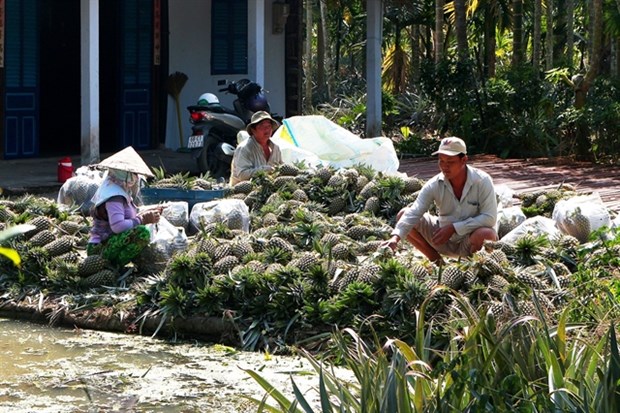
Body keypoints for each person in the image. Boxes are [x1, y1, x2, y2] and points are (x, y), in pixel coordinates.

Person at [382, 137, 497, 264]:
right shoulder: (434, 184)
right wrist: (395, 237)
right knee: (404, 214)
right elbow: (415, 212)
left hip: (470, 241)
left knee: (487, 234)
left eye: (450, 162)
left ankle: (474, 267)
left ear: (464, 160)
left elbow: (490, 218)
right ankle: (436, 261)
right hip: (441, 239)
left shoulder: (482, 181)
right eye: (441, 161)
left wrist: (454, 228)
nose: (444, 166)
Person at [88, 146, 163, 267]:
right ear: (124, 174)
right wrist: (142, 219)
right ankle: (113, 267)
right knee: (142, 233)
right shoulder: (114, 195)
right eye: (134, 174)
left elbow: (127, 217)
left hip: (110, 242)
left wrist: (146, 213)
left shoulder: (118, 189)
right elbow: (118, 226)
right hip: (100, 248)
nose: (136, 178)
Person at [230, 111, 282, 185]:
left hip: (268, 190)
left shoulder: (276, 148)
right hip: (242, 192)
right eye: (262, 127)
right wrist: (264, 170)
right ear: (253, 130)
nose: (267, 130)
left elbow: (281, 169)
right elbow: (242, 175)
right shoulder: (244, 148)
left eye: (269, 126)